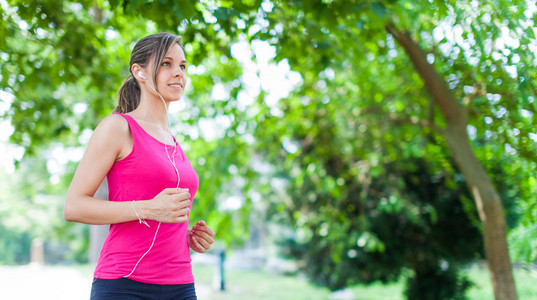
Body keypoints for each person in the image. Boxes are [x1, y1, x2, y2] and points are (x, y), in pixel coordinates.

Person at [64, 32, 215, 300]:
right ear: (139, 72)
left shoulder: (173, 141)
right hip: (125, 284)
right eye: (166, 64)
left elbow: (163, 216)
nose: (178, 73)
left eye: (182, 66)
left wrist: (188, 237)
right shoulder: (118, 127)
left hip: (180, 284)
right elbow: (74, 206)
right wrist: (149, 209)